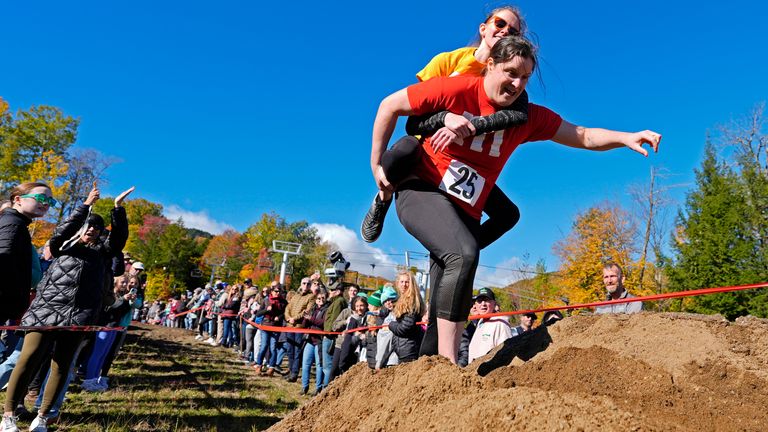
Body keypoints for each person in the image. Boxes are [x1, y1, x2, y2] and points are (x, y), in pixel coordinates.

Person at [368, 35, 661, 363]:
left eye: (524, 77)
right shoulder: (459, 89)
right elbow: (389, 105)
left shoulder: (528, 118)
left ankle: (425, 371)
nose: (517, 83)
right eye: (510, 72)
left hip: (464, 210)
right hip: (422, 189)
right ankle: (449, 364)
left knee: (453, 284)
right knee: (464, 254)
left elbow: (583, 136)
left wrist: (626, 137)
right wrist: (376, 163)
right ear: (490, 65)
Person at [361, 6, 530, 245]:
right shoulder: (448, 62)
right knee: (401, 155)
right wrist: (445, 118)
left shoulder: (509, 80)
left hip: (465, 162)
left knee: (508, 215)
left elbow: (520, 116)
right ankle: (383, 197)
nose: (505, 32)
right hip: (426, 146)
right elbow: (412, 121)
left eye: (513, 31)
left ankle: (457, 253)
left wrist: (472, 126)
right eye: (500, 23)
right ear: (484, 28)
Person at [2, 184, 132, 432]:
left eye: (97, 227)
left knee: (61, 366)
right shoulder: (63, 246)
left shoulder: (101, 254)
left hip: (80, 315)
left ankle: (42, 417)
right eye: (89, 225)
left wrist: (119, 209)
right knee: (27, 359)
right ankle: (8, 415)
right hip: (47, 310)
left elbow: (117, 241)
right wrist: (85, 205)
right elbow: (63, 230)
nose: (92, 230)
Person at [0, 182, 54, 326]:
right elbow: (3, 260)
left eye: (50, 201)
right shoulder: (13, 223)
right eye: (41, 198)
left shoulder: (17, 223)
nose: (46, 203)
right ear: (18, 199)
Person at [387, 272, 425, 363]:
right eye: (402, 281)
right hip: (404, 348)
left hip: (409, 348)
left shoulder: (412, 300)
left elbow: (405, 328)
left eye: (407, 282)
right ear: (398, 283)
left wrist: (391, 325)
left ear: (412, 284)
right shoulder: (402, 298)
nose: (404, 284)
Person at [467, 288, 513, 364]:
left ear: (494, 303)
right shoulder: (480, 323)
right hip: (473, 372)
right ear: (475, 305)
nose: (483, 304)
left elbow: (507, 353)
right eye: (479, 301)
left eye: (487, 300)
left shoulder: (501, 323)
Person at [283, 277, 315, 382]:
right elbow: (288, 308)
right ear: (301, 284)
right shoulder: (295, 296)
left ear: (310, 286)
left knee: (297, 351)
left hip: (299, 327)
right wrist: (288, 317)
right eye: (304, 283)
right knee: (289, 350)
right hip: (289, 326)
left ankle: (295, 373)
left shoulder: (311, 297)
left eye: (308, 284)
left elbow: (307, 311)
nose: (305, 285)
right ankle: (291, 370)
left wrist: (294, 318)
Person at [300, 289, 328, 396]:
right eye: (318, 298)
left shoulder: (326, 310)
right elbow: (304, 325)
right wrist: (305, 317)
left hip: (319, 340)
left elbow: (323, 323)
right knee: (305, 363)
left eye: (322, 298)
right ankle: (304, 386)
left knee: (319, 365)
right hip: (310, 339)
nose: (320, 300)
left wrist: (310, 318)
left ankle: (318, 388)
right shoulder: (313, 309)